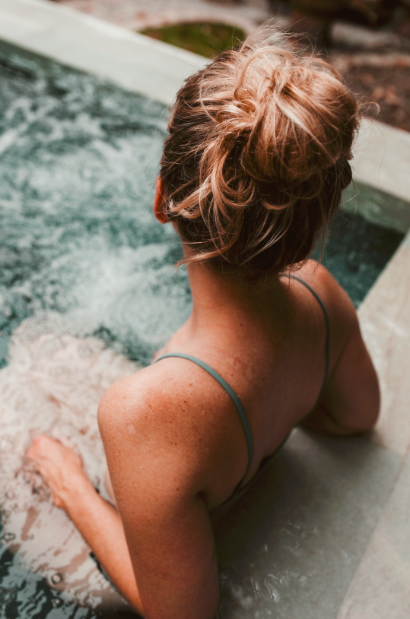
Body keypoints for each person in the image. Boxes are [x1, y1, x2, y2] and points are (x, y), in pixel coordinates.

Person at [26, 29, 380, 619]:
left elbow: (182, 613)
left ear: (163, 197)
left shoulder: (143, 413)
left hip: (155, 493)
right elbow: (357, 416)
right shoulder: (321, 295)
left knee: (21, 423)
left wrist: (70, 487)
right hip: (203, 424)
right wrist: (277, 398)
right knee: (44, 352)